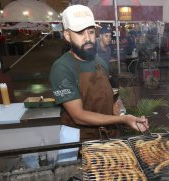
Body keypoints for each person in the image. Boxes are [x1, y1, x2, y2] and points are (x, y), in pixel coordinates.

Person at [49, 4, 148, 161]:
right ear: (67, 36)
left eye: (91, 31)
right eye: (80, 33)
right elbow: (79, 116)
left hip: (107, 136)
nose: (88, 38)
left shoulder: (100, 62)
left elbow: (113, 98)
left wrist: (123, 113)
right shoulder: (62, 67)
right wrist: (122, 119)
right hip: (79, 141)